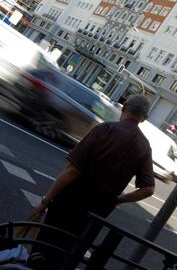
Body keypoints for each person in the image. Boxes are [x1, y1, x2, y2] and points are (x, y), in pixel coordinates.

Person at [28, 95, 155, 269]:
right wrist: (118, 199)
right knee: (69, 253)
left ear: (124, 107)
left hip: (72, 198)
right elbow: (148, 189)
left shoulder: (105, 129)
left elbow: (73, 170)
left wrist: (46, 199)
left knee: (46, 247)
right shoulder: (144, 146)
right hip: (99, 209)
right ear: (144, 118)